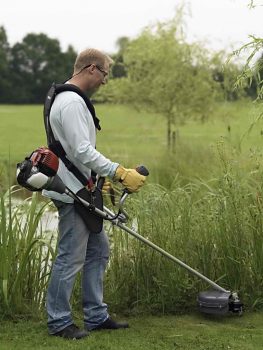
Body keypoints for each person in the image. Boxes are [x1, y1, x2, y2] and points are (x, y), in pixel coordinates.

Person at [43, 48, 146, 339]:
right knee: (70, 257)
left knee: (98, 251)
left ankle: (96, 315)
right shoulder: (72, 102)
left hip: (82, 188)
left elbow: (75, 153)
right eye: (104, 74)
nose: (104, 81)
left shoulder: (65, 97)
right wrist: (119, 172)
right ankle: (60, 321)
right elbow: (81, 150)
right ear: (91, 68)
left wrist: (100, 179)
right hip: (72, 192)